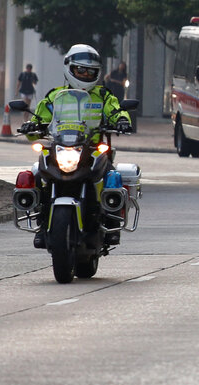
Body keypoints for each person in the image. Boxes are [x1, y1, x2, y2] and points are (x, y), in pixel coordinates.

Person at [21, 44, 132, 248]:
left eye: (91, 71)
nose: (86, 74)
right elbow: (41, 117)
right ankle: (40, 224)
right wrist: (31, 125)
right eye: (81, 70)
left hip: (92, 149)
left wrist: (122, 120)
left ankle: (112, 224)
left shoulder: (104, 95)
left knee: (112, 177)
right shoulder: (55, 96)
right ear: (69, 69)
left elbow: (117, 110)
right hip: (61, 146)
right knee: (37, 173)